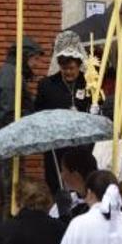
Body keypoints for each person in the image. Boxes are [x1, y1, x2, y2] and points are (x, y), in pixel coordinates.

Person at [0, 36, 44, 227]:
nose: (36, 64)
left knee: (8, 195)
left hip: (10, 143)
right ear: (25, 56)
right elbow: (10, 113)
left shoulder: (13, 74)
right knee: (10, 195)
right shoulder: (10, 75)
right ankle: (5, 239)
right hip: (8, 145)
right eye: (34, 59)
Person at [34, 32, 90, 193]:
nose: (68, 72)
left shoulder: (89, 83)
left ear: (79, 65)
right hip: (56, 146)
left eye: (72, 68)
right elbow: (39, 112)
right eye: (64, 68)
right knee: (56, 186)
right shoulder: (47, 85)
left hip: (82, 146)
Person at [52, 145, 97, 220]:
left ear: (76, 175)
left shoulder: (102, 202)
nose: (61, 176)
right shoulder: (68, 201)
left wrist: (64, 216)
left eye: (63, 170)